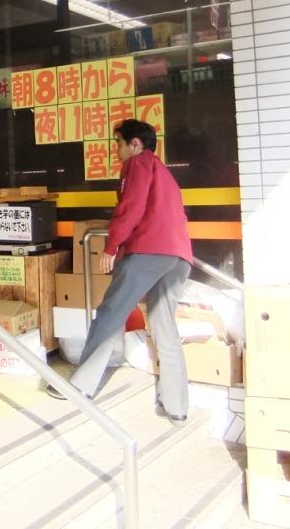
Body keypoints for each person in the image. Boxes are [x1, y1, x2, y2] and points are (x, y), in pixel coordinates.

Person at [47, 119, 193, 426]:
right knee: (164, 327)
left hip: (148, 252)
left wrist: (112, 246)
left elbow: (131, 207)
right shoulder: (165, 173)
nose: (116, 150)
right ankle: (176, 405)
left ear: (135, 144)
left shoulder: (138, 165)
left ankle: (80, 386)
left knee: (110, 315)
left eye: (119, 143)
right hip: (178, 257)